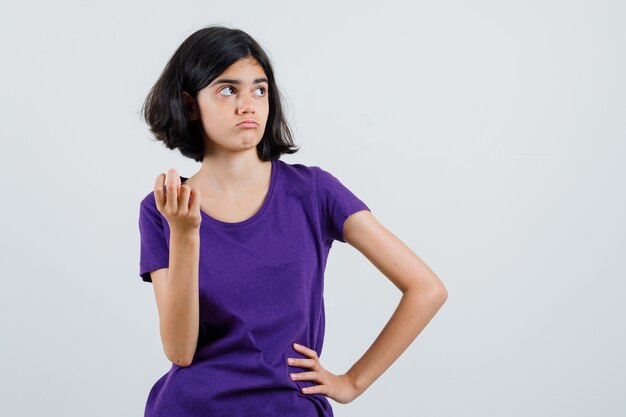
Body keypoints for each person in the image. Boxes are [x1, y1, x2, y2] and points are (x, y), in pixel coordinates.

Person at [137, 25, 448, 417]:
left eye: (259, 89)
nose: (248, 104)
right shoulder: (163, 208)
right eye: (228, 89)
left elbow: (426, 289)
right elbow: (180, 351)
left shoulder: (314, 192)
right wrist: (184, 234)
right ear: (190, 104)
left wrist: (352, 382)